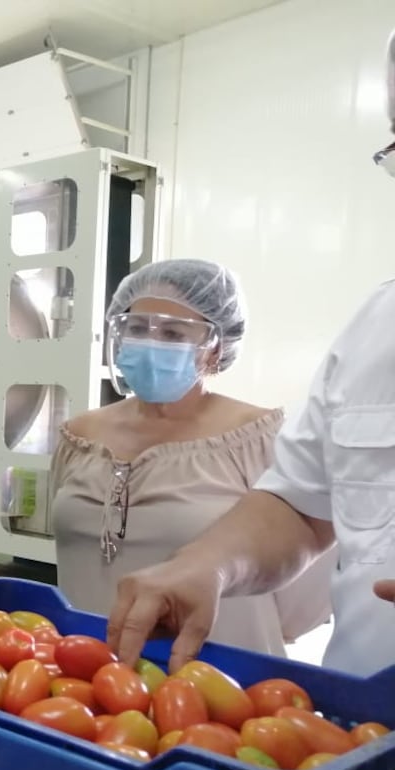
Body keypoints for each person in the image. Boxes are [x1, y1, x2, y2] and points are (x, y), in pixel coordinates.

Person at [108, 30, 395, 676]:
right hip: (359, 735)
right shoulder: (376, 330)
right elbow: (298, 506)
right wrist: (204, 564)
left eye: (176, 332)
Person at [50, 259, 332, 656]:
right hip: (91, 676)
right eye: (136, 328)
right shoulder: (79, 436)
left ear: (215, 347)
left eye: (172, 333)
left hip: (220, 678)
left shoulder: (259, 437)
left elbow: (304, 596)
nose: (150, 343)